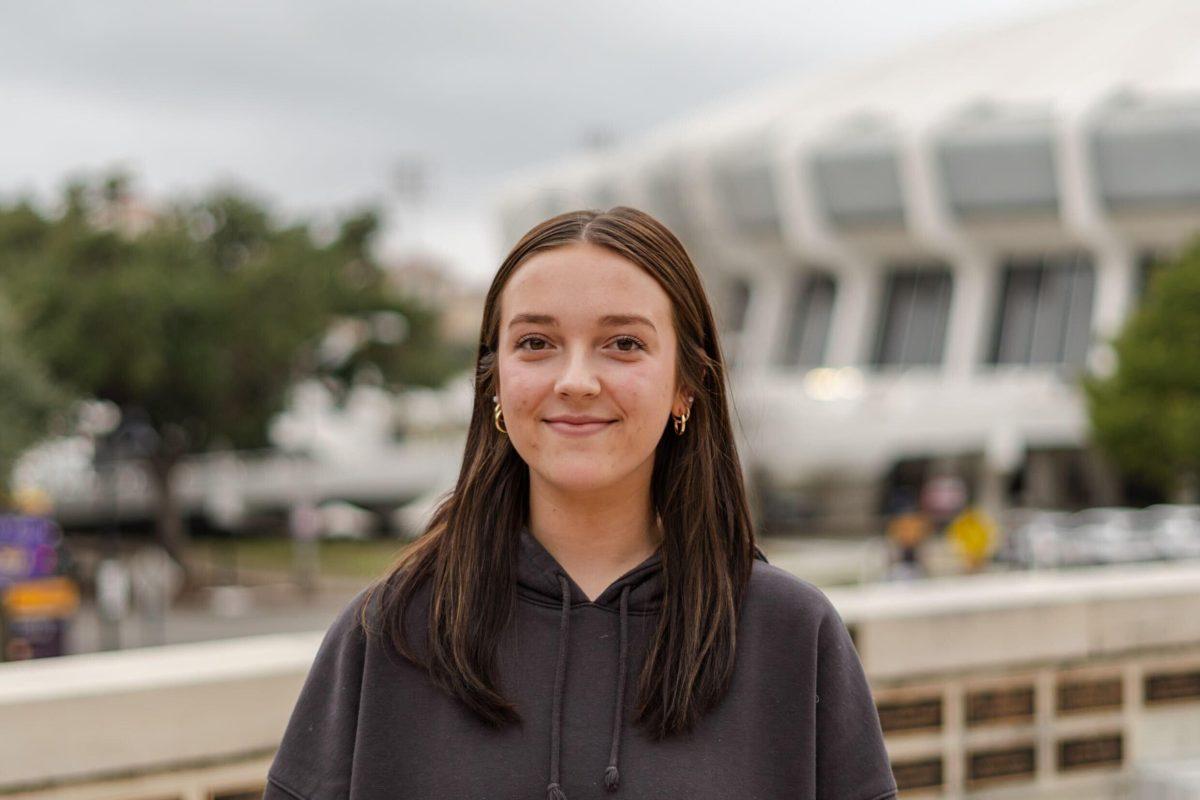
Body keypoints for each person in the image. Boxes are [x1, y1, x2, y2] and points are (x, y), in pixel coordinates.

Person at [263, 207, 897, 800]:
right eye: (536, 343)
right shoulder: (388, 634)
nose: (574, 381)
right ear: (495, 383)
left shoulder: (791, 634)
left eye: (623, 344)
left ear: (686, 385)